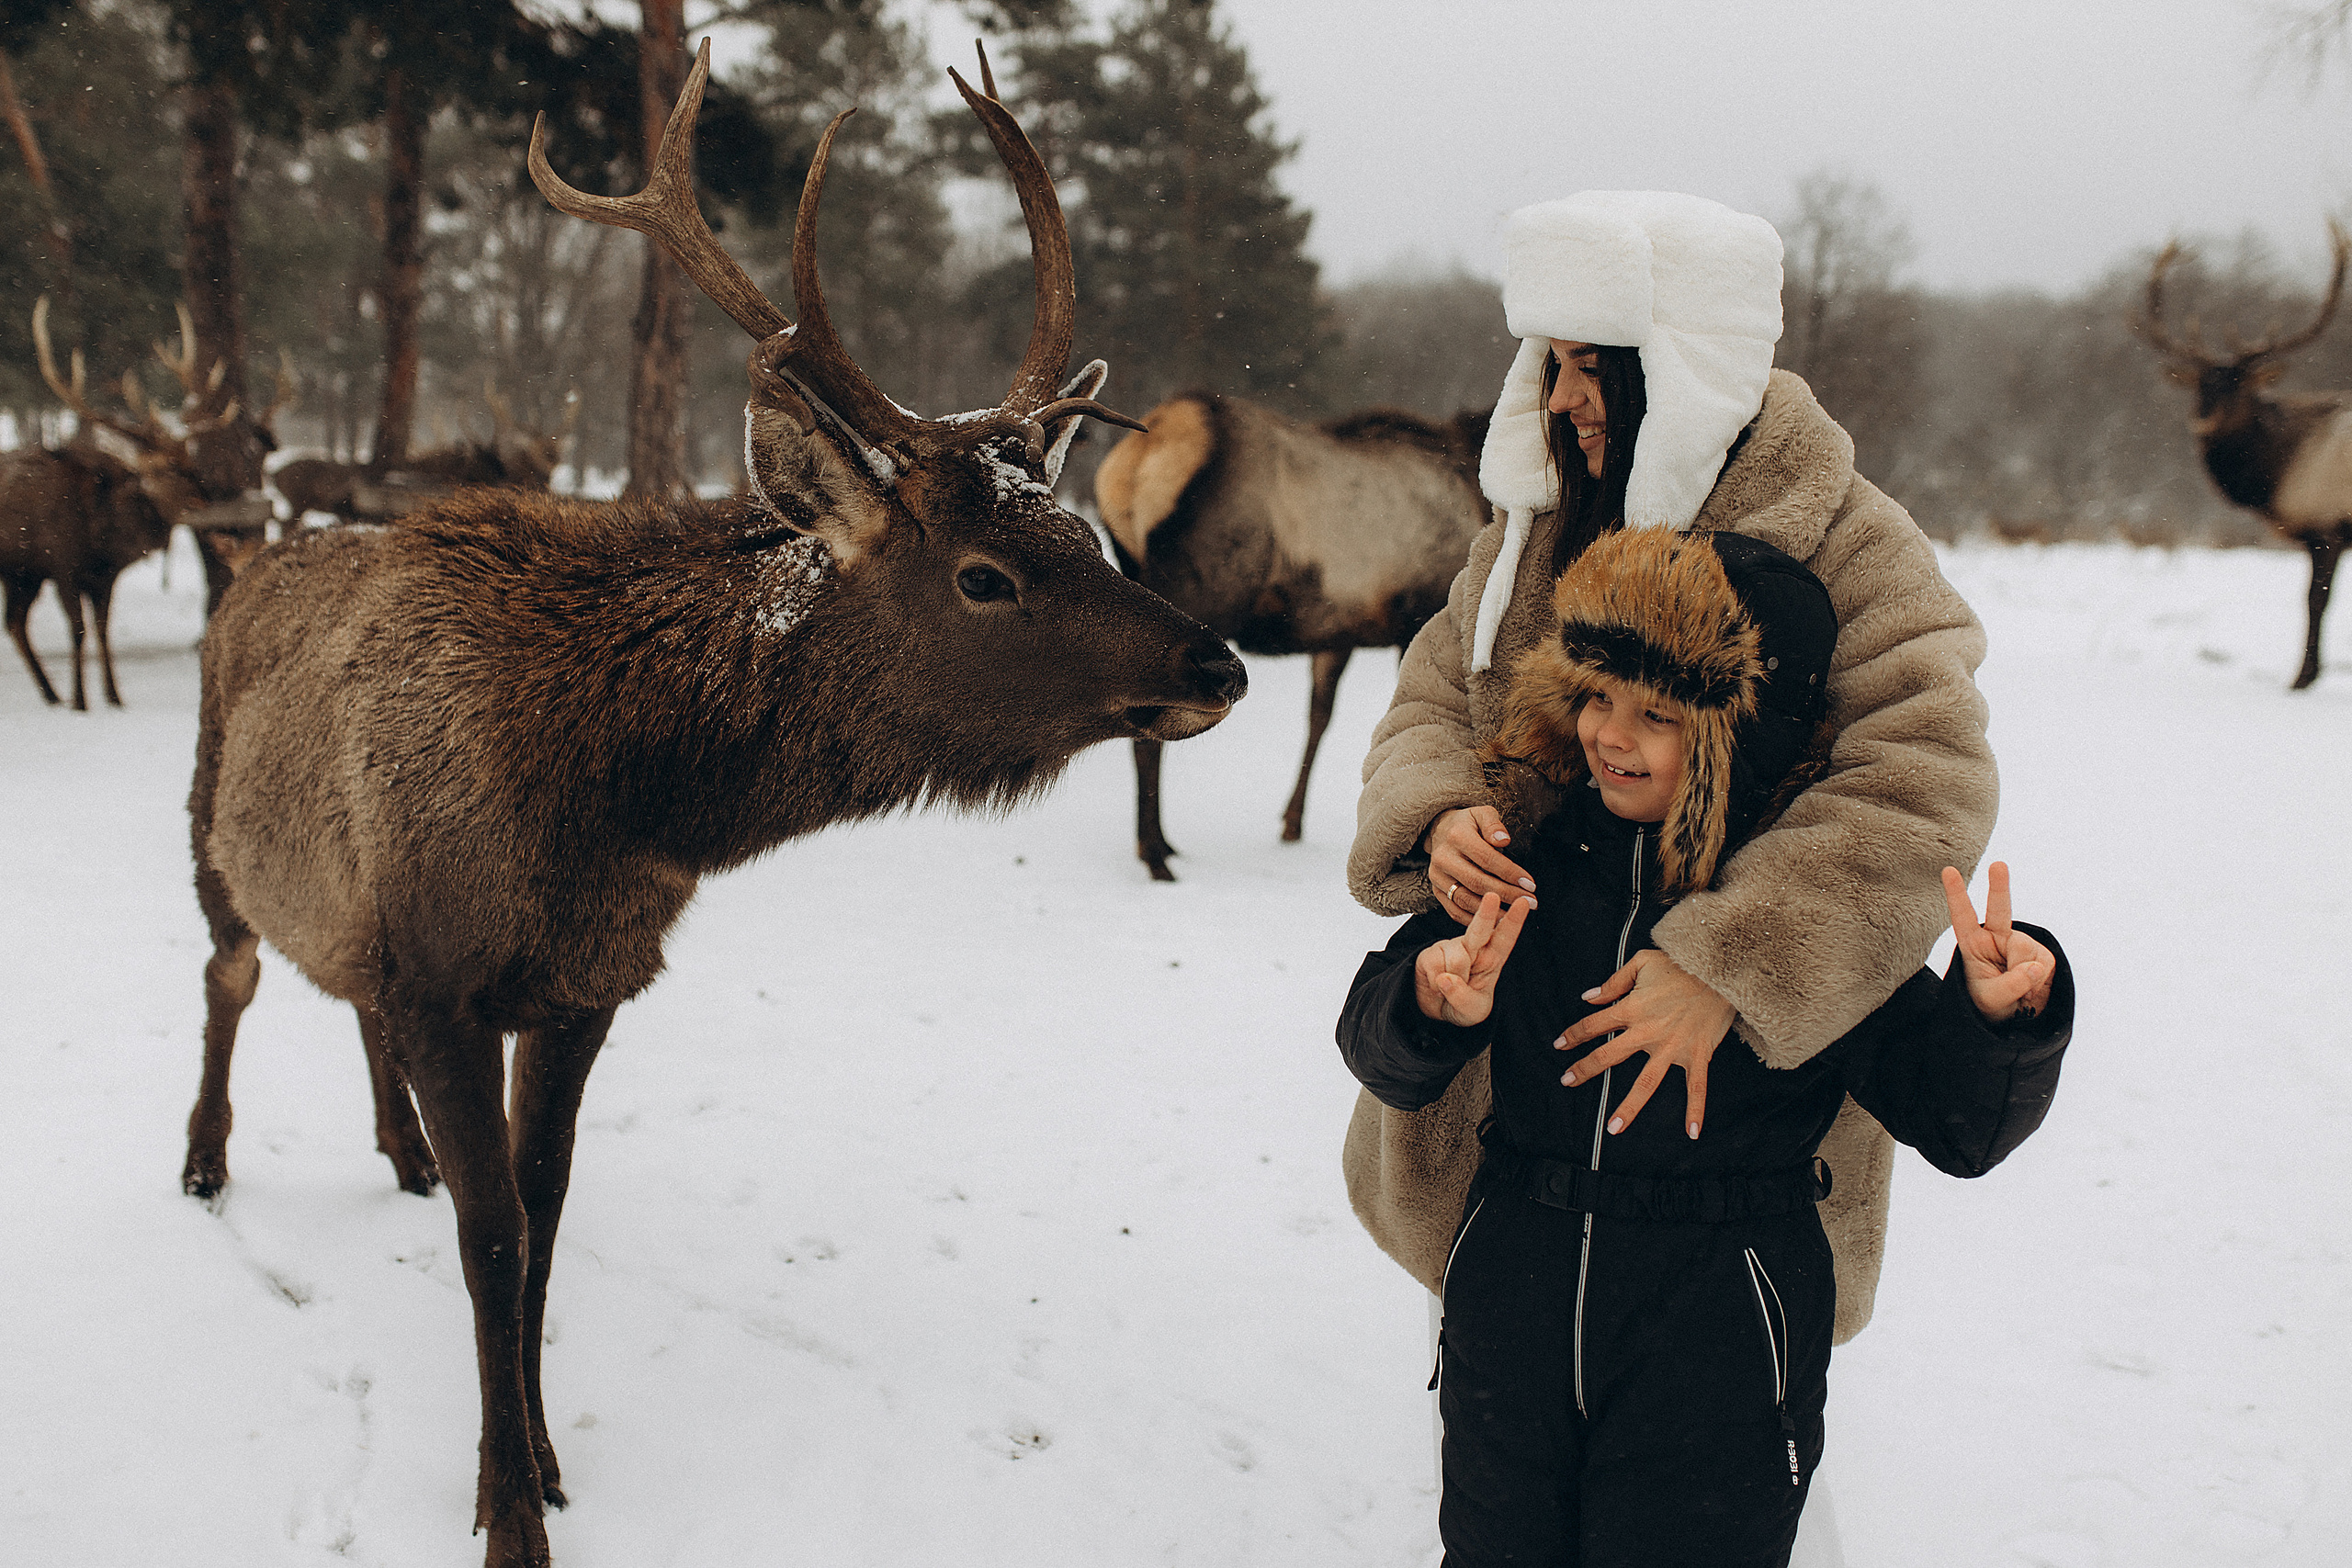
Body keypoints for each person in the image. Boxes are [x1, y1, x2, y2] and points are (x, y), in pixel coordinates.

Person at [1337, 526, 2074, 1567]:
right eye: (1596, 695)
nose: (1611, 735)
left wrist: (2002, 1020)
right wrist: (1427, 1003)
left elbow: (1960, 1125)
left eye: (1659, 713)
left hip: (1723, 1340)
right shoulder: (1532, 863)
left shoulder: (1798, 920)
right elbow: (1378, 1052)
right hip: (1512, 1316)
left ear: (1745, 731)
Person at [1343, 191, 1997, 1358]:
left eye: (1593, 368)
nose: (1559, 400)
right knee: (1508, 1406)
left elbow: (1921, 778)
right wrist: (1440, 813)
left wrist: (1733, 963)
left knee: (1710, 1417)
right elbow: (1435, 693)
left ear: (1685, 369)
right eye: (1550, 364)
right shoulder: (1531, 530)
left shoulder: (1850, 543)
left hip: (1734, 1162)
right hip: (1511, 1111)